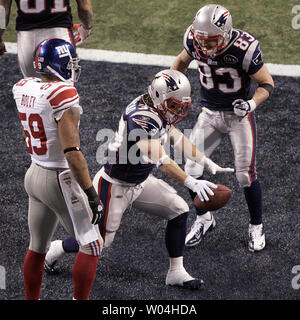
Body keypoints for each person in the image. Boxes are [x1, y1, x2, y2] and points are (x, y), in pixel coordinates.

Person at [44, 69, 234, 289]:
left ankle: (176, 272)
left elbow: (175, 136)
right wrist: (191, 182)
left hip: (140, 181)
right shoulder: (141, 117)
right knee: (99, 242)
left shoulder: (158, 109)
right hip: (114, 184)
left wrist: (205, 161)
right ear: (158, 97)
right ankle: (58, 248)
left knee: (179, 210)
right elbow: (161, 160)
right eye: (173, 105)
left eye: (180, 105)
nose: (177, 110)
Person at [171, 4, 274, 251]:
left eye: (211, 41)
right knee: (191, 168)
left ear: (226, 34)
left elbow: (267, 83)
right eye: (202, 41)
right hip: (209, 114)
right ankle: (204, 218)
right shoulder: (193, 38)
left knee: (245, 175)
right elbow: (180, 63)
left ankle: (256, 226)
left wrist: (250, 103)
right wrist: (175, 89)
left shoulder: (245, 48)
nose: (205, 47)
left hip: (238, 116)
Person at [12, 38, 103, 300]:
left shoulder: (23, 86)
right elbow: (73, 154)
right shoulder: (63, 95)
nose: (73, 68)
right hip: (58, 179)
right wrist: (91, 194)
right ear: (59, 65)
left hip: (34, 173)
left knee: (37, 247)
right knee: (92, 245)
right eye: (69, 63)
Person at [0, 0, 92, 76]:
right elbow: (85, 8)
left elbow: (3, 11)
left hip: (27, 38)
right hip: (60, 34)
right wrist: (86, 27)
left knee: (32, 91)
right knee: (63, 91)